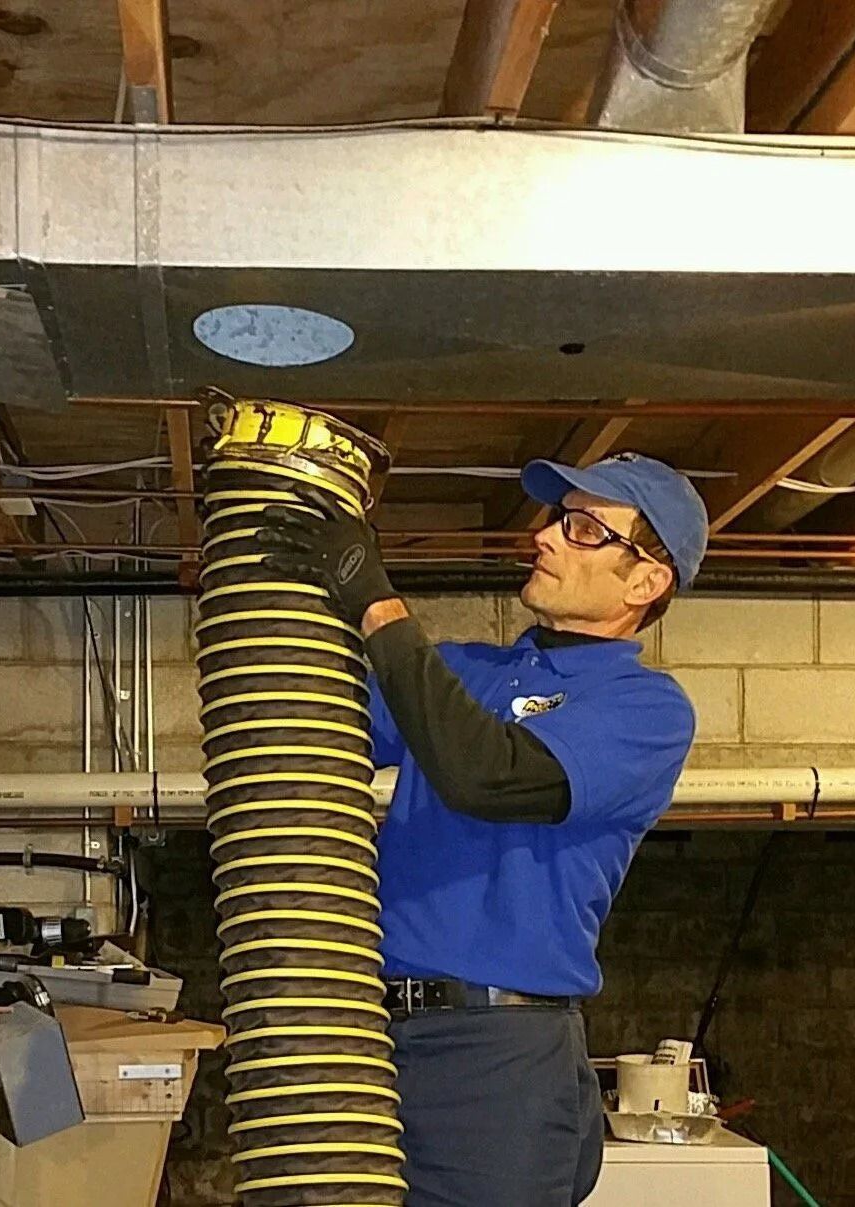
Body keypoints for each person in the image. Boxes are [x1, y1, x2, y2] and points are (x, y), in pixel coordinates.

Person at [258, 451, 708, 1207]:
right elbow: (300, 723)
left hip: (495, 1059)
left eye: (582, 527)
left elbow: (487, 775)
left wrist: (376, 601)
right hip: (363, 1033)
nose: (545, 536)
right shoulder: (467, 672)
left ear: (644, 581)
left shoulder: (646, 708)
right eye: (553, 518)